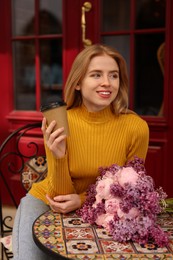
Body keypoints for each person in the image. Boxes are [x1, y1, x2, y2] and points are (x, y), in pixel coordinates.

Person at [12, 44, 149, 260]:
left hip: (102, 209)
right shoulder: (60, 119)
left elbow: (130, 191)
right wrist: (58, 156)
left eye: (113, 76)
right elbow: (59, 196)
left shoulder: (136, 128)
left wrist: (82, 199)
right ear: (77, 82)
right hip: (47, 200)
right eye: (96, 75)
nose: (107, 82)